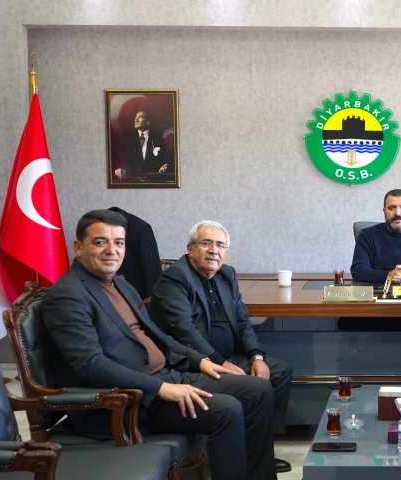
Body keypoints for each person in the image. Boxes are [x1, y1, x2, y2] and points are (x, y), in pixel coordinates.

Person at [41, 210, 278, 480]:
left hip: (166, 376)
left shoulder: (121, 285)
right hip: (127, 399)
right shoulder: (68, 295)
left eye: (119, 242)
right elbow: (89, 364)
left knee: (258, 388)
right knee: (227, 409)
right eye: (100, 242)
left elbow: (159, 336)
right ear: (78, 247)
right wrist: (162, 388)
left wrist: (200, 361)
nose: (111, 250)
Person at [150, 220, 294, 474]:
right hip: (196, 362)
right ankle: (251, 457)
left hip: (231, 356)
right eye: (206, 243)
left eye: (220, 245)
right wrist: (219, 362)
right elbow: (184, 332)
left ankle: (258, 449)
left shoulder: (226, 275)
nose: (214, 250)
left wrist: (257, 357)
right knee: (256, 387)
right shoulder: (175, 279)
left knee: (279, 371)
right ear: (190, 248)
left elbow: (242, 322)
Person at [114, 109, 171, 180]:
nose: (136, 120)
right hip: (130, 179)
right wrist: (119, 168)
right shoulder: (126, 138)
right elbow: (120, 160)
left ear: (148, 121)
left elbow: (162, 160)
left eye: (140, 117)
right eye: (135, 117)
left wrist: (162, 168)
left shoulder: (158, 138)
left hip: (152, 179)